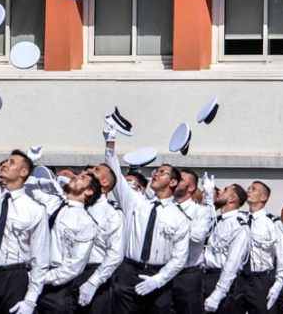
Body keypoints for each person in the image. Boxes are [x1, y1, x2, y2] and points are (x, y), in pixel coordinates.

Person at [103, 126, 191, 314]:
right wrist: (110, 144)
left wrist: (158, 280)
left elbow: (180, 256)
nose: (156, 174)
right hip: (128, 271)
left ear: (173, 182)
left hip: (158, 274)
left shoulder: (179, 217)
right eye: (156, 171)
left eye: (162, 172)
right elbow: (114, 176)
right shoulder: (136, 201)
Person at [0, 150, 50, 314]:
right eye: (4, 161)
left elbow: (40, 258)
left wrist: (31, 299)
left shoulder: (35, 209)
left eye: (11, 162)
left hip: (14, 276)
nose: (4, 164)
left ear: (24, 172)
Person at [35, 172, 100, 313]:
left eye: (82, 178)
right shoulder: (52, 202)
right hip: (28, 275)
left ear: (89, 191)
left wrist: (41, 278)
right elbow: (23, 188)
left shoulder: (86, 222)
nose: (75, 177)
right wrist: (41, 182)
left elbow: (75, 266)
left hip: (54, 288)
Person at [78, 160, 125, 313]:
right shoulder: (75, 206)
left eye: (96, 170)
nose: (90, 171)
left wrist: (94, 282)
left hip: (94, 273)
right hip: (68, 273)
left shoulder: (111, 213)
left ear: (104, 183)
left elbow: (115, 254)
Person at [239, 181, 283, 314]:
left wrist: (278, 285)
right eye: (249, 188)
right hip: (238, 277)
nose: (248, 191)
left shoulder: (272, 223)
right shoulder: (240, 219)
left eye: (254, 189)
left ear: (263, 197)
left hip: (260, 279)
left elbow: (282, 256)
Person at [172, 169, 215, 314]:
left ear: (191, 188)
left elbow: (198, 236)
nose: (175, 180)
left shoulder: (200, 211)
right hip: (163, 271)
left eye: (181, 179)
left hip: (187, 275)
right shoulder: (164, 207)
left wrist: (172, 227)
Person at [203, 184, 249, 313]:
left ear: (232, 199)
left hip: (224, 282)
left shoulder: (238, 225)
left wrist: (218, 293)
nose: (220, 192)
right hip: (205, 277)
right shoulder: (216, 221)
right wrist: (207, 199)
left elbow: (232, 263)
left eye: (225, 190)